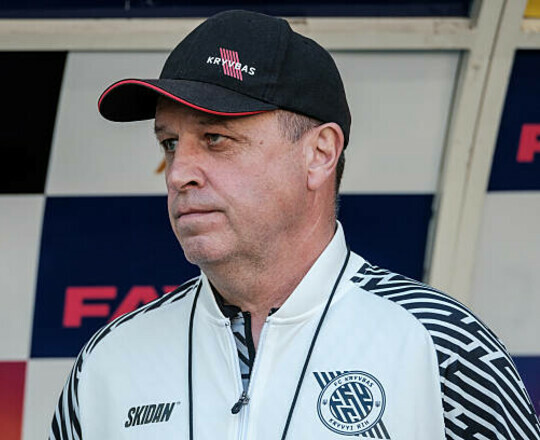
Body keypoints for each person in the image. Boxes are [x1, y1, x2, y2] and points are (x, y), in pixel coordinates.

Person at [50, 10, 540, 440]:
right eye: (170, 144)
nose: (178, 173)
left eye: (216, 138)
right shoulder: (109, 361)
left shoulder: (441, 346)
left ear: (320, 153)